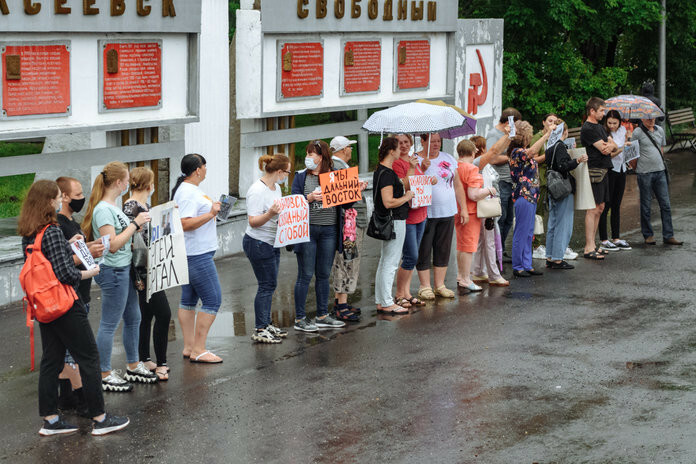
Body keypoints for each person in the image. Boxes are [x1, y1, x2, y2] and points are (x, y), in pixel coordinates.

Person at [19, 180, 129, 436]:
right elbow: (65, 274)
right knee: (90, 358)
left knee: (51, 361)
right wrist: (89, 271)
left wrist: (71, 246)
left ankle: (51, 420)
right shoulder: (53, 230)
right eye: (57, 198)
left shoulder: (29, 232)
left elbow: (46, 264)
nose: (60, 202)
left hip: (44, 307)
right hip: (65, 305)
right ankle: (100, 418)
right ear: (48, 201)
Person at [82, 162, 156, 391]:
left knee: (133, 317)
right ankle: (103, 372)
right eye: (126, 180)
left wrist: (135, 228)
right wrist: (135, 224)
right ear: (117, 183)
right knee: (110, 322)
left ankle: (133, 365)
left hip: (124, 268)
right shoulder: (104, 209)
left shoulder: (111, 206)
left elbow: (121, 238)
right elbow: (112, 245)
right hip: (113, 270)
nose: (129, 183)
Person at [54, 176, 105, 413]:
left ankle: (66, 398)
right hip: (70, 295)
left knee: (67, 350)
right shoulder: (59, 225)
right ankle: (84, 401)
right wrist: (89, 253)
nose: (81, 198)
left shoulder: (71, 223)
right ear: (63, 197)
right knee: (75, 351)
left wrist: (91, 247)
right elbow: (61, 263)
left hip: (80, 293)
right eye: (77, 195)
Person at [291, 140, 354, 332]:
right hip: (308, 230)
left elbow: (347, 205)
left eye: (312, 154)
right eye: (308, 154)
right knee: (305, 274)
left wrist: (354, 190)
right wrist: (308, 198)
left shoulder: (334, 176)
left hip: (329, 230)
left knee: (324, 274)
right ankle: (300, 317)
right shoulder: (301, 177)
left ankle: (322, 315)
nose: (308, 158)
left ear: (322, 157)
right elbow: (293, 202)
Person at [171, 154, 224, 363]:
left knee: (189, 299)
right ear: (198, 170)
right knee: (213, 299)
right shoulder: (186, 192)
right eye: (205, 166)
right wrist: (211, 214)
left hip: (195, 252)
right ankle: (199, 349)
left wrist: (215, 210)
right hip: (196, 254)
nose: (206, 169)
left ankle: (190, 346)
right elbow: (184, 223)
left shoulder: (189, 189)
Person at [123, 167, 171, 380]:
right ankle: (161, 362)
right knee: (163, 313)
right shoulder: (132, 207)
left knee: (147, 314)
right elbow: (133, 239)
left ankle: (144, 357)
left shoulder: (144, 205)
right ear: (149, 185)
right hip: (143, 268)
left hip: (150, 265)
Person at [243, 154, 291, 343]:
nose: (287, 175)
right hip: (258, 242)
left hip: (272, 241)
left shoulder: (276, 187)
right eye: (287, 172)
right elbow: (253, 221)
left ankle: (266, 322)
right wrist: (271, 213)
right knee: (266, 284)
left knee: (270, 284)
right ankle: (260, 327)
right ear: (279, 171)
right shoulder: (256, 191)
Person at [415, 133, 467, 300]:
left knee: (443, 248)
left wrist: (463, 208)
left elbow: (458, 185)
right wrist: (421, 169)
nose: (436, 144)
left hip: (447, 210)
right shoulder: (415, 159)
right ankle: (425, 286)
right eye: (432, 141)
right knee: (424, 248)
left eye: (438, 141)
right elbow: (410, 182)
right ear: (422, 141)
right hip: (426, 211)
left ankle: (440, 285)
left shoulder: (448, 158)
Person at [373, 137, 415, 313]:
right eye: (398, 148)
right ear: (391, 151)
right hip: (394, 220)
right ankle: (387, 301)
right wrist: (406, 197)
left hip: (391, 220)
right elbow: (388, 201)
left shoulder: (383, 170)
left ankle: (382, 300)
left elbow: (400, 186)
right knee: (390, 262)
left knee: (385, 261)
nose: (401, 151)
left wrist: (411, 169)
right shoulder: (387, 173)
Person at [392, 134, 434, 307]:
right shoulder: (397, 163)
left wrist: (427, 175)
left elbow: (419, 183)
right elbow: (404, 186)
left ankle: (407, 293)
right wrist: (412, 167)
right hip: (408, 216)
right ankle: (399, 294)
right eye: (400, 143)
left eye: (406, 142)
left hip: (421, 213)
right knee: (410, 256)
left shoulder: (414, 160)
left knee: (412, 257)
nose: (403, 145)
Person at [329, 136, 367, 321]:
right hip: (348, 225)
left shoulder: (338, 167)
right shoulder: (338, 168)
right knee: (347, 260)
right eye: (349, 148)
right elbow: (342, 199)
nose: (351, 151)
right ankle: (341, 304)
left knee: (346, 259)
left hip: (348, 223)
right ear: (344, 149)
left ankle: (341, 301)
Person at [630, 118, 683, 245]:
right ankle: (648, 235)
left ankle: (668, 235)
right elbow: (632, 152)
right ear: (642, 118)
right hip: (644, 173)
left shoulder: (659, 130)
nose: (651, 120)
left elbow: (661, 149)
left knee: (665, 205)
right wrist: (637, 168)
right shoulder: (637, 132)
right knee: (646, 205)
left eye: (653, 117)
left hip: (660, 172)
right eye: (648, 118)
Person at [544, 120, 588, 270]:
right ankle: (557, 258)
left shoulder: (549, 147)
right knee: (563, 224)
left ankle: (549, 256)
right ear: (565, 132)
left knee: (553, 223)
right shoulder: (560, 146)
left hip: (552, 188)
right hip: (563, 188)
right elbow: (563, 166)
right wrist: (577, 160)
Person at [509, 120, 551, 277]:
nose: (531, 137)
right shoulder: (517, 152)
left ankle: (526, 264)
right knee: (521, 231)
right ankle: (518, 265)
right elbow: (532, 151)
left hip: (531, 195)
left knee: (528, 232)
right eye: (529, 135)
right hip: (523, 195)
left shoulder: (522, 151)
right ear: (524, 136)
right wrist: (546, 135)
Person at [454, 140, 495, 293]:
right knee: (469, 247)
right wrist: (489, 190)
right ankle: (466, 278)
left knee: (460, 245)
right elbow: (473, 194)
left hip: (456, 210)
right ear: (473, 153)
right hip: (470, 212)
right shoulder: (472, 169)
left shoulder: (455, 166)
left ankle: (460, 275)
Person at [580, 97, 617, 260]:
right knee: (593, 208)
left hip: (603, 170)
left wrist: (611, 146)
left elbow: (613, 145)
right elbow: (604, 149)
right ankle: (588, 247)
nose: (604, 113)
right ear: (592, 111)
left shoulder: (600, 127)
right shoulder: (588, 128)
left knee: (601, 207)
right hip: (594, 171)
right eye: (601, 110)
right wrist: (610, 147)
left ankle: (594, 244)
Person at [470, 137, 509, 287]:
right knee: (490, 241)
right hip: (486, 206)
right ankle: (494, 274)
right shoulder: (479, 164)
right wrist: (507, 137)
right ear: (481, 148)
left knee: (482, 240)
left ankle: (478, 271)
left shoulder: (483, 165)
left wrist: (508, 139)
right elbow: (494, 152)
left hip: (487, 205)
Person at [486, 108, 522, 256]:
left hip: (512, 180)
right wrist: (511, 157)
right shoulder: (494, 134)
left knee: (508, 219)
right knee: (500, 218)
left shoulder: (510, 135)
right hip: (501, 181)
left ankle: (502, 248)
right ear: (509, 122)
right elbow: (492, 158)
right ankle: (496, 251)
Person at [598, 110, 632, 252]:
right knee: (606, 205)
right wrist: (622, 147)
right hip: (610, 171)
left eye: (615, 123)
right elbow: (609, 155)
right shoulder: (605, 134)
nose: (612, 125)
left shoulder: (623, 130)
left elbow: (627, 148)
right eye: (609, 122)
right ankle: (604, 239)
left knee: (617, 204)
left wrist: (628, 140)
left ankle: (616, 237)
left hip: (622, 169)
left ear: (619, 122)